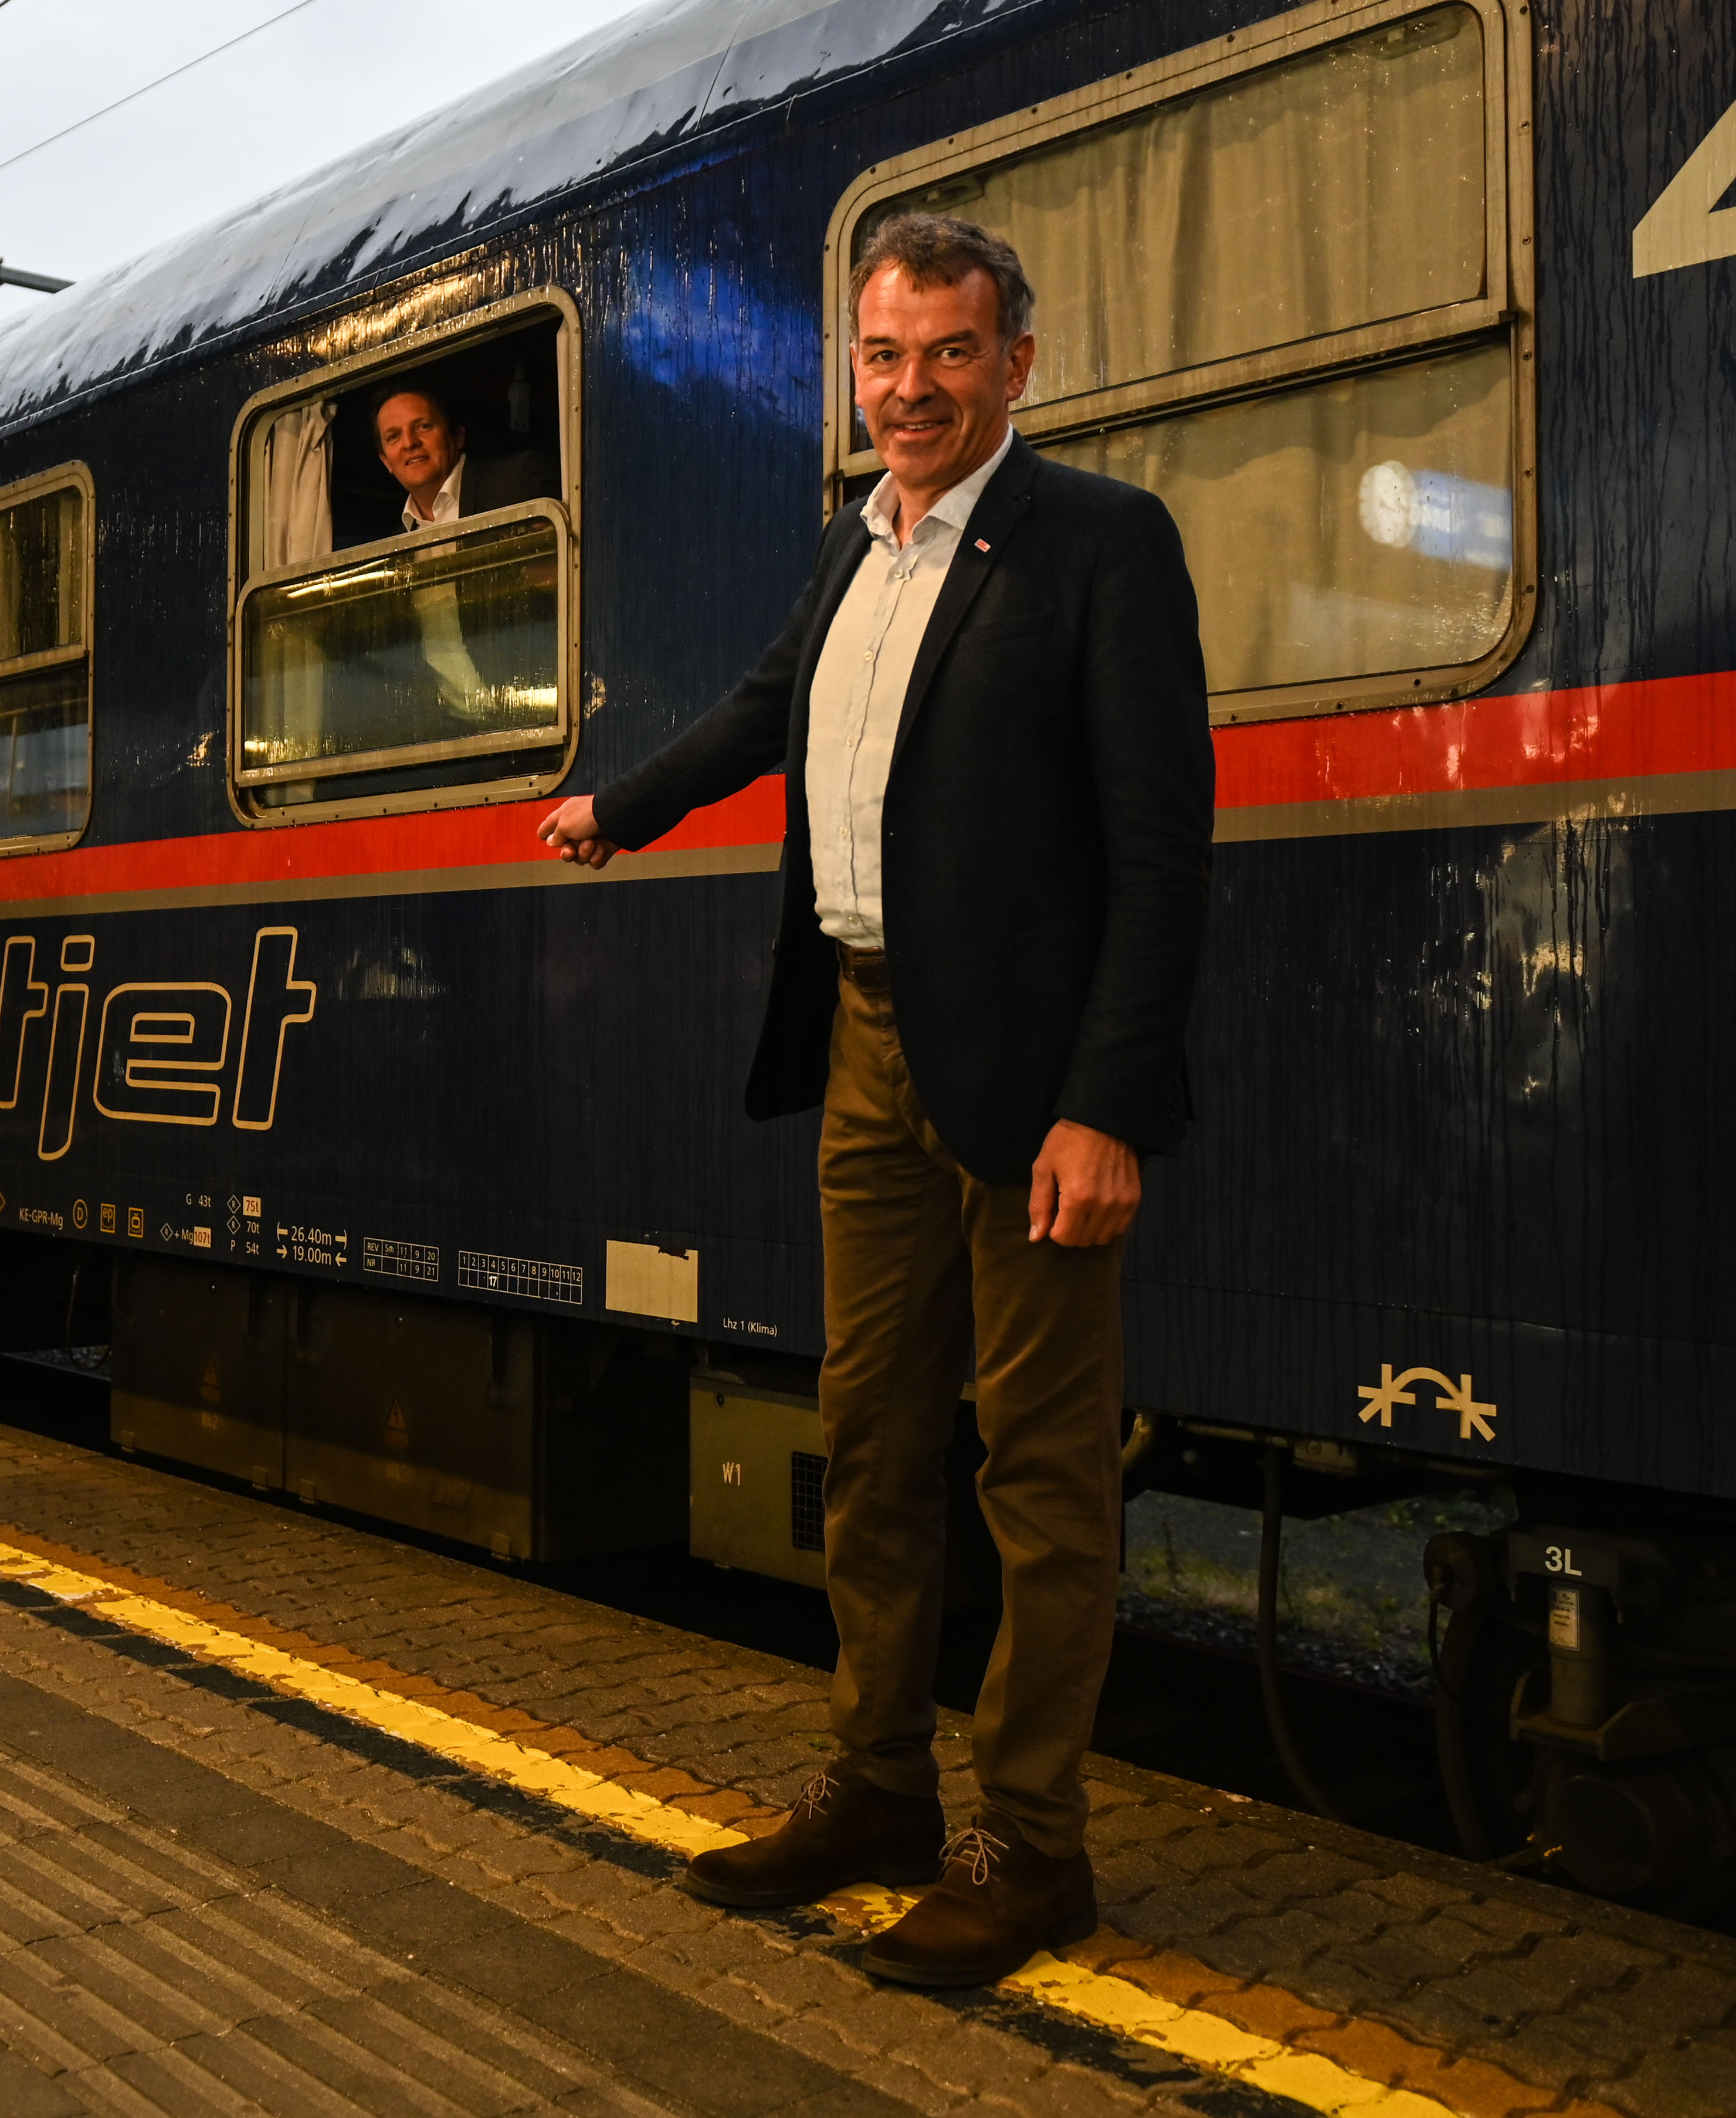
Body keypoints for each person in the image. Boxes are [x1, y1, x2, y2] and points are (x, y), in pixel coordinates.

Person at [536, 212, 1212, 1989]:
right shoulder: (855, 547)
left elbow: (1160, 851)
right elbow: (765, 707)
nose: (910, 388)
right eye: (883, 355)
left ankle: (1029, 1847)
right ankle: (877, 1789)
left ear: (1015, 362)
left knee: (1039, 1474)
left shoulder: (1098, 541)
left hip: (1028, 1076)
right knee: (871, 1446)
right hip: (858, 1042)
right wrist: (621, 806)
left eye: (947, 352)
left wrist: (1106, 1106)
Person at [372, 386, 558, 532]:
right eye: (394, 437)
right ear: (385, 461)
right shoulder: (395, 545)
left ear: (458, 437)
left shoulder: (519, 480)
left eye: (424, 427)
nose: (409, 443)